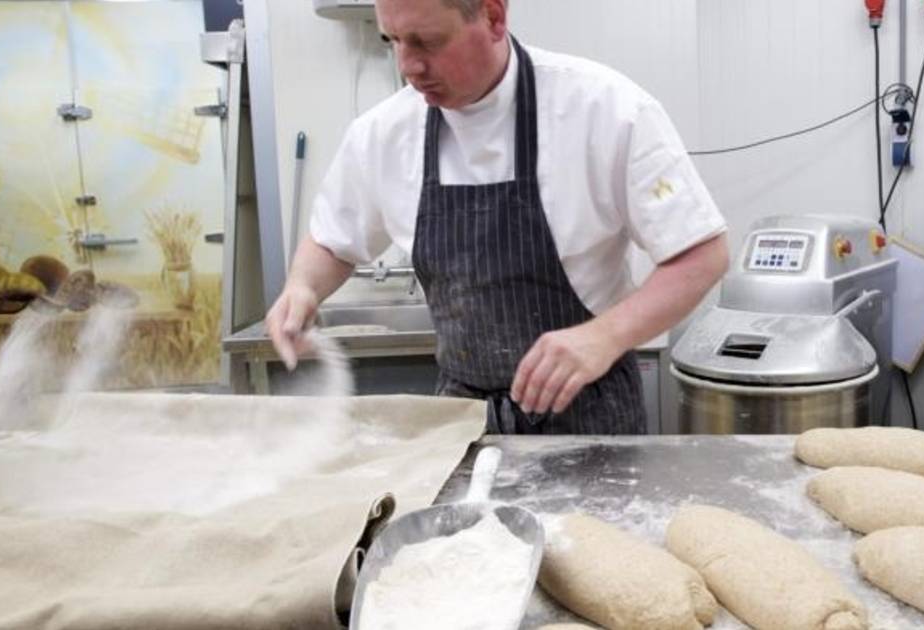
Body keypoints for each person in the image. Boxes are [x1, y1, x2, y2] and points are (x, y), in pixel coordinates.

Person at [267, 0, 729, 434]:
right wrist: (302, 286)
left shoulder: (605, 109)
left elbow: (701, 254)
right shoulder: (382, 134)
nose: (408, 67)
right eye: (394, 41)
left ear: (492, 16)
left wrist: (603, 337)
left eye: (426, 41)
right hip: (464, 422)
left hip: (591, 420)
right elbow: (332, 242)